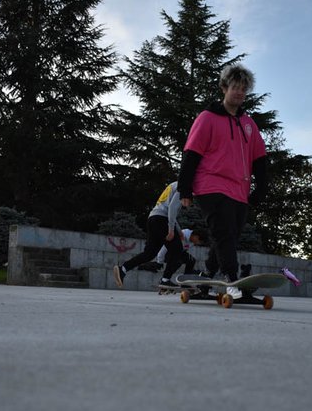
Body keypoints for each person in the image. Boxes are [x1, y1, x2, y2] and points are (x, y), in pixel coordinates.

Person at [177, 63, 267, 300]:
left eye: (243, 89)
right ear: (224, 88)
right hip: (210, 185)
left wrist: (262, 187)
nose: (238, 93)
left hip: (239, 190)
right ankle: (231, 280)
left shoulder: (249, 124)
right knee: (224, 232)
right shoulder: (207, 118)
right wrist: (185, 187)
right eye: (235, 87)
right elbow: (192, 153)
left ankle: (206, 279)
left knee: (228, 236)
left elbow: (260, 159)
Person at [113, 181, 186, 288]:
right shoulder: (184, 186)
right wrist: (171, 229)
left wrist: (178, 231)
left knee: (150, 253)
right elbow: (171, 209)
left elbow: (169, 210)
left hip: (153, 218)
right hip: (162, 221)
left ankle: (123, 268)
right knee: (177, 250)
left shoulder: (173, 184)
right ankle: (165, 280)